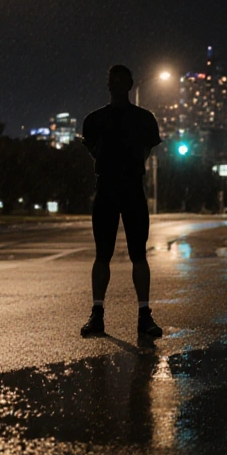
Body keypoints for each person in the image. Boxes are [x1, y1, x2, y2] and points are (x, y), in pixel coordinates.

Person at [79, 64, 163, 339]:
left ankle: (143, 315)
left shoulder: (142, 119)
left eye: (119, 80)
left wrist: (120, 165)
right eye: (112, 80)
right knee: (103, 254)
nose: (115, 84)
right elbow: (96, 150)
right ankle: (98, 314)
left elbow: (144, 150)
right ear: (109, 85)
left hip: (129, 189)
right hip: (109, 188)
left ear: (129, 84)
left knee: (138, 254)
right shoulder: (96, 120)